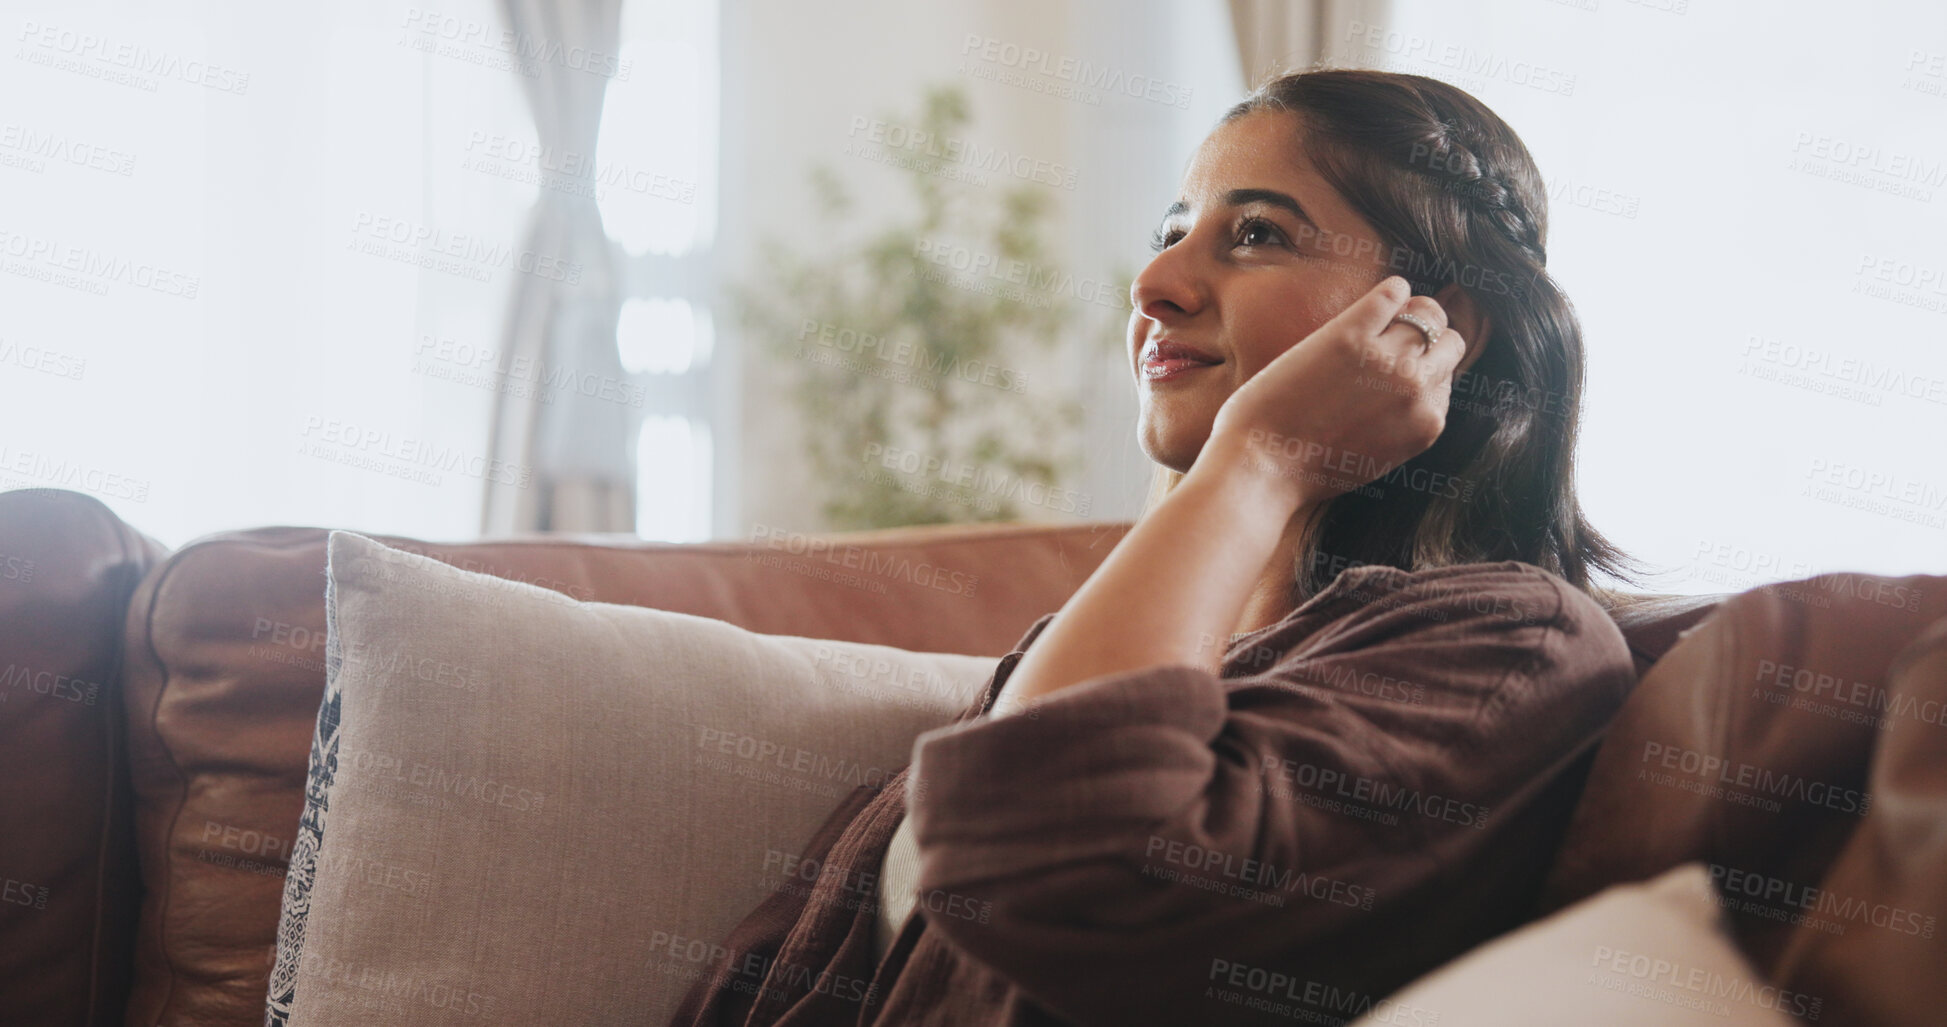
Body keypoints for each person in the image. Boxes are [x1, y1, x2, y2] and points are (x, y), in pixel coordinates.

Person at [670, 68, 1639, 1027]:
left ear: (1437, 332)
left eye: (1257, 234)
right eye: (1170, 235)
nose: (1154, 284)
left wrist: (1261, 459)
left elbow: (1046, 855)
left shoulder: (1523, 647)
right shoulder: (1087, 648)